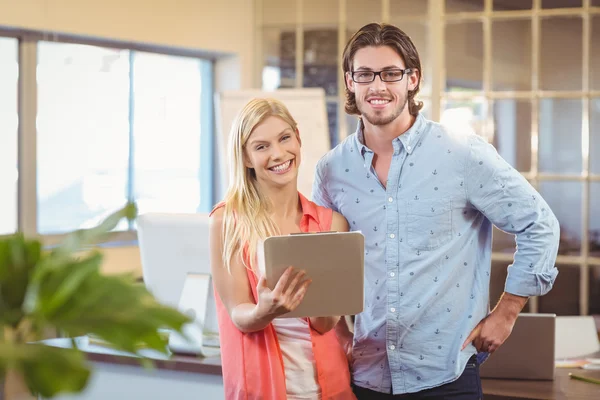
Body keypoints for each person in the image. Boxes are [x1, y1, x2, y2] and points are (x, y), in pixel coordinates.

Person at [312, 22, 560, 399]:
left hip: (446, 378)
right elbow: (323, 262)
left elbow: (539, 224)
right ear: (350, 81)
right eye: (364, 74)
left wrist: (507, 311)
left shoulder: (462, 153)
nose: (377, 86)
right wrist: (340, 333)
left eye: (391, 73)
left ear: (413, 79)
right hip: (365, 376)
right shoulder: (331, 170)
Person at [209, 97, 356, 400]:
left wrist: (330, 301)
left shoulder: (331, 223)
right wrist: (265, 311)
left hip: (329, 389)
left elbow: (324, 325)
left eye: (284, 138)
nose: (278, 154)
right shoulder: (227, 221)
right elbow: (238, 312)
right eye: (261, 146)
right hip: (263, 390)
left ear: (298, 139)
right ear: (246, 158)